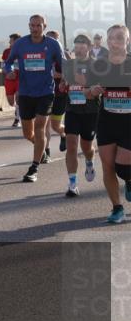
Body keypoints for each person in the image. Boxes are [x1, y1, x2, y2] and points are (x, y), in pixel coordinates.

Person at [3, 15, 65, 183]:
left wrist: (65, 80)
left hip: (46, 92)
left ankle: (34, 168)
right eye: (32, 25)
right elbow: (7, 63)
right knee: (27, 133)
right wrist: (7, 71)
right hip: (25, 93)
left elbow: (63, 64)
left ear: (44, 26)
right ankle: (42, 150)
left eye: (38, 25)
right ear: (28, 26)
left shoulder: (53, 44)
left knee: (39, 128)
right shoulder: (20, 44)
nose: (35, 28)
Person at [82, 24, 131, 224]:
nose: (115, 41)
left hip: (129, 123)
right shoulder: (98, 65)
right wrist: (92, 91)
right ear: (107, 41)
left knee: (123, 166)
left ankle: (128, 179)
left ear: (127, 41)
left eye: (120, 37)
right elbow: (85, 92)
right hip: (106, 121)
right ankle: (117, 208)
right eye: (112, 37)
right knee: (108, 166)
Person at [61, 34, 99, 198]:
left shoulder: (97, 65)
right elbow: (65, 83)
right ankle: (72, 183)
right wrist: (63, 85)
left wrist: (84, 83)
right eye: (76, 47)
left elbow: (99, 89)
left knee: (87, 147)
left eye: (82, 47)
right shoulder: (69, 64)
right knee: (71, 145)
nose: (78, 50)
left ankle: (89, 162)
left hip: (90, 111)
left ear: (89, 48)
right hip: (72, 110)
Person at [45, 30, 69, 157]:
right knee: (45, 124)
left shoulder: (63, 56)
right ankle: (46, 151)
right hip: (45, 94)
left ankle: (63, 134)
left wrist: (57, 75)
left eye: (55, 40)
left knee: (55, 126)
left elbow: (71, 75)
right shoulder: (42, 54)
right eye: (49, 39)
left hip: (60, 95)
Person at [3, 33, 22, 127]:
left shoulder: (23, 50)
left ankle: (17, 119)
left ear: (16, 41)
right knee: (11, 103)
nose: (9, 42)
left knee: (18, 98)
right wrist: (7, 73)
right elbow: (3, 65)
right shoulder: (6, 51)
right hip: (9, 79)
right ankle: (19, 109)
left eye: (11, 40)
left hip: (21, 78)